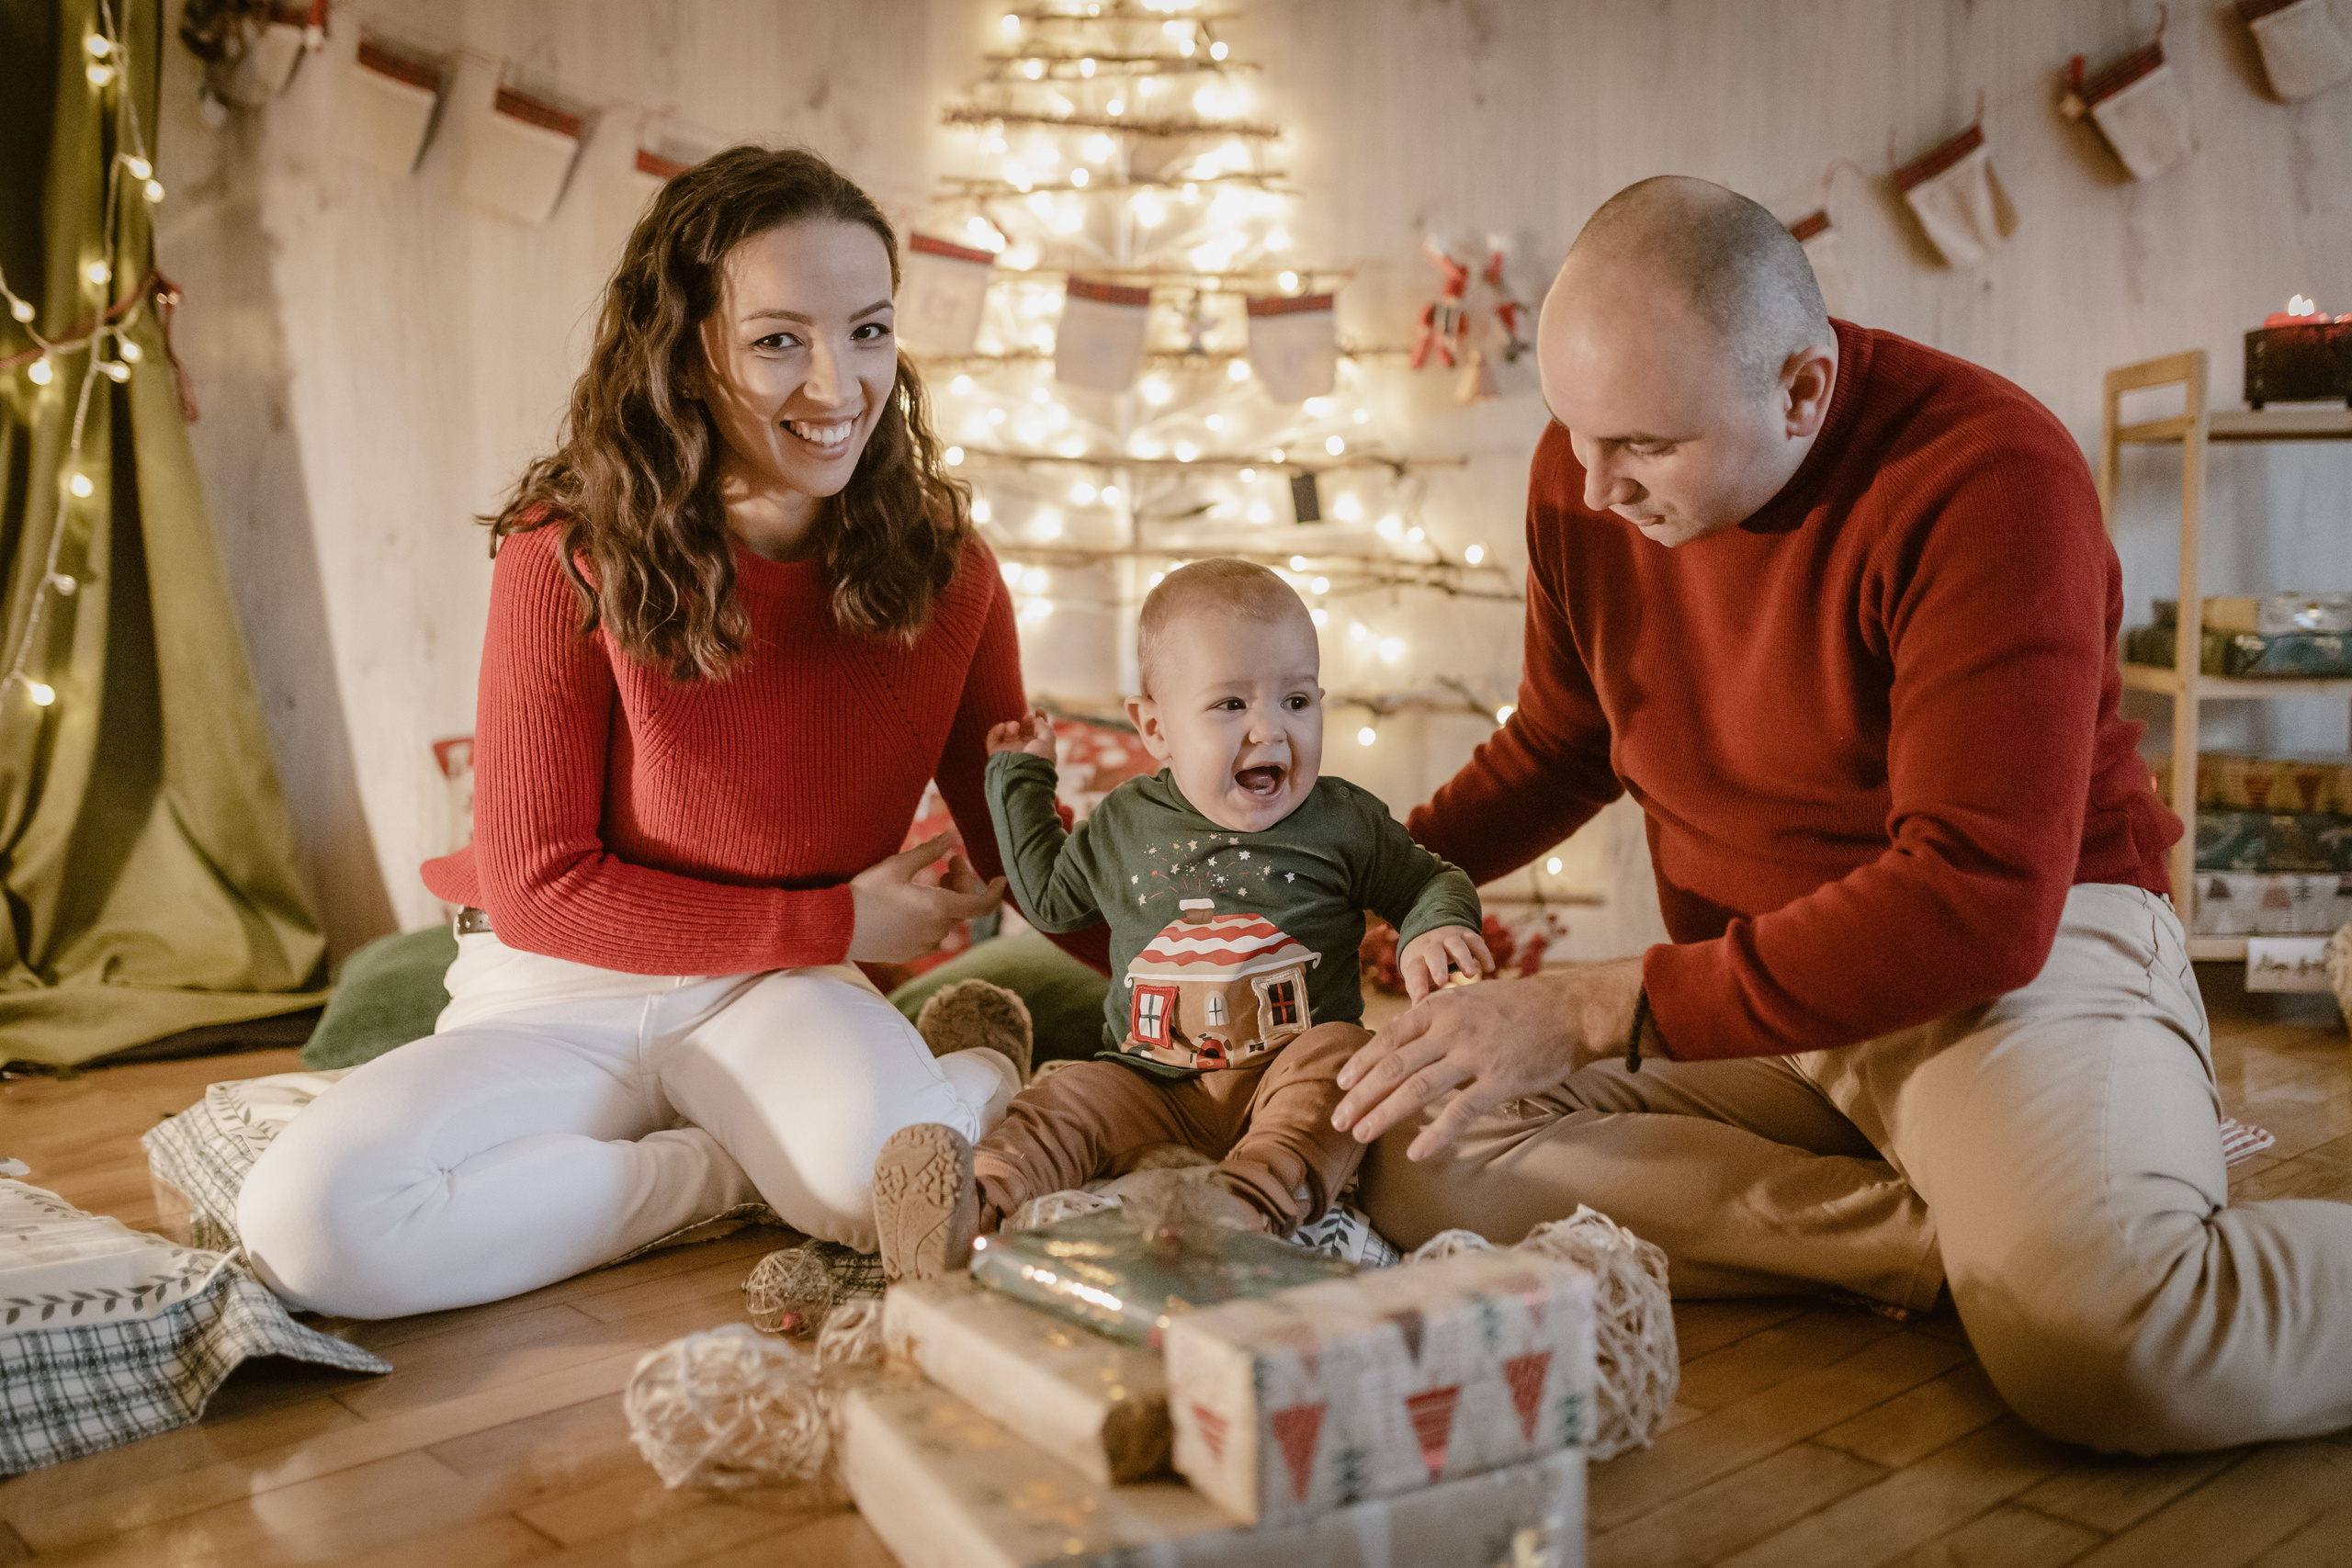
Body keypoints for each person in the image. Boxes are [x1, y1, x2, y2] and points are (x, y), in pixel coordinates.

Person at [1332, 175, 2352, 1453]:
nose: (1594, 488)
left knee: (2116, 1344)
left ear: (1802, 392)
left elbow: (1975, 896)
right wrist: (1343, 875)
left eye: (1643, 447)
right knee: (1408, 1149)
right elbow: (1562, 739)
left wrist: (1600, 1001)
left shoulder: (1989, 475)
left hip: (2016, 959)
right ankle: (1965, 1243)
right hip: (1767, 990)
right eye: (1575, 436)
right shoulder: (1587, 472)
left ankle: (2066, 1251)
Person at [238, 146, 1095, 1320]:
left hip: (774, 990)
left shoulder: (951, 574)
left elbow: (1019, 850)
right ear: (689, 349)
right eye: (779, 340)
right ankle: (724, 1174)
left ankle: (955, 1070)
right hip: (557, 990)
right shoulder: (564, 554)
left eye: (869, 331)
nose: (838, 386)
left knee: (891, 1195)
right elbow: (541, 885)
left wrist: (1226, 972)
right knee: (311, 1233)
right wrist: (842, 918)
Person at [872, 560, 1491, 1280]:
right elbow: (1047, 897)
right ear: (1156, 727)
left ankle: (1246, 1202)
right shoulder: (1127, 822)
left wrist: (1434, 924)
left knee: (1342, 1055)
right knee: (1067, 1096)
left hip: (1280, 1079)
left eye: (1296, 700)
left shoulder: (1344, 821)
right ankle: (969, 1200)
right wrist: (1021, 779)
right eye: (1231, 705)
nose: (1270, 730)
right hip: (1151, 1084)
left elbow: (1429, 879)